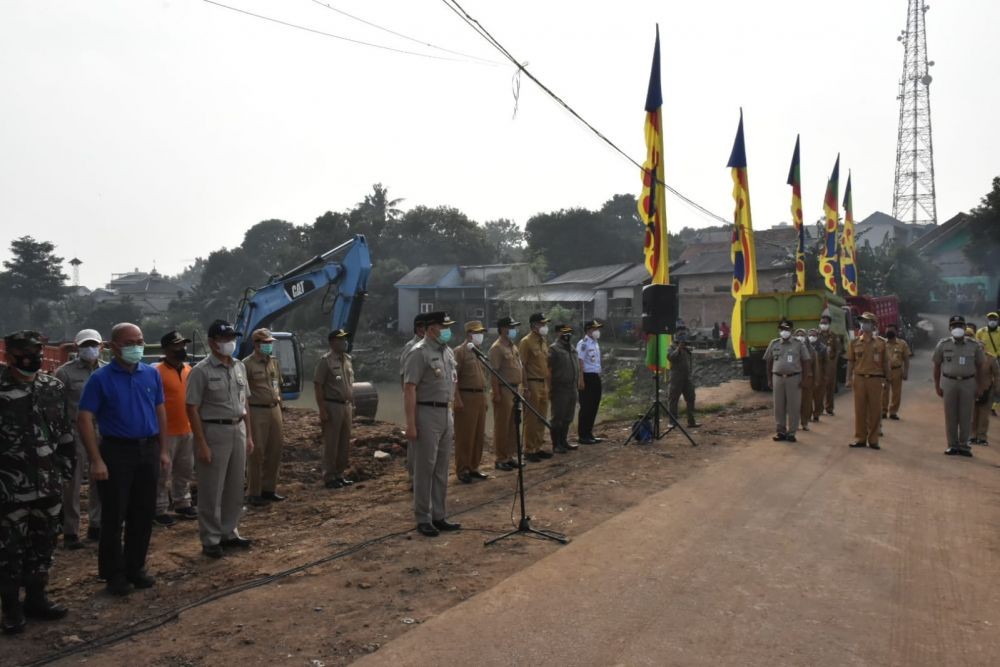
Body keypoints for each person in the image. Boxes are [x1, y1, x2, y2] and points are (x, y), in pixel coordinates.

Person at [78, 322, 169, 595]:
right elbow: (84, 418)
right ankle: (113, 573)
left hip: (147, 449)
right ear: (114, 346)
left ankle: (135, 567)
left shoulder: (150, 375)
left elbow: (160, 411)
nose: (136, 347)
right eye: (130, 343)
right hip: (116, 452)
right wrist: (96, 460)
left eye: (140, 341)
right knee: (114, 515)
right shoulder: (100, 378)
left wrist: (163, 450)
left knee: (143, 513)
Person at [1, 331, 73, 634]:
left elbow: (65, 434)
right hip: (9, 490)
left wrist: (65, 471)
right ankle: (11, 608)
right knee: (9, 551)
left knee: (43, 547)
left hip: (48, 485)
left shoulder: (52, 387)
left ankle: (36, 598)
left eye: (38, 351)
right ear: (11, 355)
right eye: (28, 353)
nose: (35, 357)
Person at [186, 320, 254, 559]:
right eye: (224, 339)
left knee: (235, 486)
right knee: (212, 488)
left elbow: (245, 402)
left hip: (238, 429)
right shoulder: (201, 371)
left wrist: (249, 435)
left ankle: (229, 532)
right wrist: (201, 443)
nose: (230, 343)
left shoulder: (239, 367)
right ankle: (211, 538)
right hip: (214, 431)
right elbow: (192, 408)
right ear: (213, 343)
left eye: (231, 338)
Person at [403, 312, 460, 537]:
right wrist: (411, 424)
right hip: (426, 413)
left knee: (442, 469)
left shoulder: (447, 351)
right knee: (424, 468)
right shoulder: (418, 353)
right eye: (443, 326)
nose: (447, 330)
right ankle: (423, 518)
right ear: (431, 328)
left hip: (445, 412)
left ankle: (439, 514)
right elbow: (409, 388)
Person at [55, 328, 105, 549]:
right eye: (85, 345)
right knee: (72, 483)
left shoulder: (107, 371)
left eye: (93, 344)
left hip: (101, 430)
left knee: (100, 480)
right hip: (75, 432)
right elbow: (57, 408)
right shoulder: (64, 373)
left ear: (102, 346)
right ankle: (71, 531)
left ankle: (96, 524)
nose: (90, 349)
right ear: (76, 347)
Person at [153, 331, 197, 525]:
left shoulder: (188, 370)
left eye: (183, 345)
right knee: (163, 473)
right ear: (166, 349)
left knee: (184, 469)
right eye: (177, 346)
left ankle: (182, 501)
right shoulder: (156, 372)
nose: (181, 349)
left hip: (187, 429)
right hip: (166, 431)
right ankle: (159, 508)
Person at [243, 328, 285, 505]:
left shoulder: (273, 362)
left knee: (275, 449)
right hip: (256, 410)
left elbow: (278, 385)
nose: (269, 346)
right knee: (257, 452)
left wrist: (281, 406)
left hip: (274, 408)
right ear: (257, 344)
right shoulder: (247, 364)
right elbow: (243, 393)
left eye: (270, 343)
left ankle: (269, 489)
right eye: (266, 343)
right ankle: (254, 492)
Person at [933, 316, 986, 457]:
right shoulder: (943, 345)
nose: (957, 328)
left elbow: (981, 367)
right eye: (954, 325)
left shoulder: (974, 345)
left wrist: (980, 386)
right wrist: (937, 386)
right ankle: (952, 445)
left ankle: (964, 445)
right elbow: (937, 366)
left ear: (964, 328)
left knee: (966, 415)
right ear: (950, 328)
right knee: (950, 415)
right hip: (949, 382)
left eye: (960, 325)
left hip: (968, 383)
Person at [314, 329, 355, 490]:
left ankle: (339, 473)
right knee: (331, 442)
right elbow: (318, 386)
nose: (344, 342)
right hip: (332, 406)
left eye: (345, 339)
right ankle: (329, 476)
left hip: (346, 406)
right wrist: (322, 410)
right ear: (332, 342)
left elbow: (350, 384)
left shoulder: (348, 359)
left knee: (344, 442)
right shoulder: (326, 361)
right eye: (340, 339)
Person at [846, 312, 890, 450]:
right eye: (862, 321)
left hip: (875, 379)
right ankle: (860, 438)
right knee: (860, 410)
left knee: (875, 410)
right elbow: (850, 362)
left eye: (867, 322)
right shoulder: (854, 343)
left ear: (873, 325)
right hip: (859, 378)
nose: (864, 324)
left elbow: (886, 363)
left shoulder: (881, 343)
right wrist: (848, 378)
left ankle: (873, 439)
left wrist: (887, 379)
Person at [453, 320, 490, 483]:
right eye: (477, 332)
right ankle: (462, 469)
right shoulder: (460, 352)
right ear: (469, 334)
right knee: (465, 436)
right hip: (466, 397)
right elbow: (454, 379)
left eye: (481, 332)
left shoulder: (478, 352)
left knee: (478, 436)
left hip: (480, 396)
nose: (480, 335)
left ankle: (474, 467)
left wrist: (486, 398)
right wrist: (457, 399)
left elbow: (484, 378)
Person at [763, 319, 811, 442]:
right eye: (782, 329)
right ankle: (781, 431)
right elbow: (769, 361)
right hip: (777, 377)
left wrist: (805, 379)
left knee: (793, 406)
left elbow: (806, 361)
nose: (784, 332)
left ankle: (791, 433)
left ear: (791, 330)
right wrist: (769, 379)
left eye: (787, 329)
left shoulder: (798, 344)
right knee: (779, 406)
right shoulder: (774, 343)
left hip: (794, 378)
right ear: (779, 330)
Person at [489, 316, 525, 470]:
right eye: (511, 327)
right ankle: (500, 458)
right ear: (503, 329)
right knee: (502, 426)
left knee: (513, 425)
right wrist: (496, 393)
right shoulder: (496, 348)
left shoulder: (513, 346)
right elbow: (493, 373)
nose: (513, 330)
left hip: (515, 389)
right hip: (504, 390)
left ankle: (510, 456)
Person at [519, 313, 553, 462]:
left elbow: (546, 364)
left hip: (543, 383)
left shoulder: (543, 341)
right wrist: (525, 387)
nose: (545, 327)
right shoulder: (526, 342)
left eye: (545, 324)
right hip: (531, 383)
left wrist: (549, 385)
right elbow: (522, 366)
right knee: (531, 418)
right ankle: (529, 449)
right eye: (542, 324)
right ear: (534, 325)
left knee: (541, 417)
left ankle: (538, 447)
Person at [400, 314, 428, 484]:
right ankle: (413, 476)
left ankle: (423, 476)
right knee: (414, 440)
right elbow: (404, 379)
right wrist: (408, 399)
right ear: (419, 328)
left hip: (427, 400)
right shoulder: (410, 348)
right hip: (414, 399)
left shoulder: (430, 346)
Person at [548, 324, 580, 454]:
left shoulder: (572, 348)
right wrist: (549, 388)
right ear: (558, 333)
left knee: (568, 417)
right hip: (559, 388)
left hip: (572, 387)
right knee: (558, 417)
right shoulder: (553, 349)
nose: (567, 335)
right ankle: (556, 444)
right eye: (564, 332)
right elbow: (548, 370)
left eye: (569, 332)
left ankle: (564, 441)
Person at [576, 319, 604, 445]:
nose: (597, 331)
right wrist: (580, 378)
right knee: (586, 407)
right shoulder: (584, 343)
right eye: (595, 329)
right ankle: (582, 435)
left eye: (597, 329)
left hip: (595, 377)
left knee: (594, 406)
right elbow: (580, 361)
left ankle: (589, 433)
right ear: (588, 330)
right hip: (586, 377)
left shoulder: (595, 343)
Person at [970, 326, 998, 446]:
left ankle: (982, 437)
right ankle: (972, 436)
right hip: (972, 389)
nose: (980, 349)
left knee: (984, 415)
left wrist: (997, 388)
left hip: (987, 389)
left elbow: (997, 375)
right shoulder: (971, 358)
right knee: (973, 414)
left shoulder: (991, 359)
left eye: (982, 347)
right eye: (978, 347)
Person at [667, 328, 700, 428]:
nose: (683, 336)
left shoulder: (686, 347)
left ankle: (691, 421)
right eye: (681, 334)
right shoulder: (672, 347)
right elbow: (670, 357)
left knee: (691, 397)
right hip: (676, 377)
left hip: (686, 377)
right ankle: (672, 422)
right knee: (673, 399)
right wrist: (678, 349)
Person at [880, 323, 912, 421]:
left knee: (896, 393)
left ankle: (893, 412)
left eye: (892, 330)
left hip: (897, 370)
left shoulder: (902, 344)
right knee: (883, 392)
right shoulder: (882, 343)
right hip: (884, 372)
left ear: (896, 331)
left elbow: (906, 359)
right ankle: (883, 411)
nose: (889, 331)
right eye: (887, 330)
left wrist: (906, 372)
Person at [975, 312, 1000, 416]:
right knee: (982, 380)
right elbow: (976, 344)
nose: (992, 321)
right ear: (987, 320)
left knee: (997, 383)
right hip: (983, 360)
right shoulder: (981, 332)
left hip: (997, 359)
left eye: (994, 319)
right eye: (990, 319)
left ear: (997, 320)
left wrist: (996, 355)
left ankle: (993, 406)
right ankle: (980, 399)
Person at [816, 314, 841, 415]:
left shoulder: (834, 336)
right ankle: (819, 409)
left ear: (829, 324)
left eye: (825, 323)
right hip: (818, 364)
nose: (823, 325)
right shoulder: (816, 335)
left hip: (830, 364)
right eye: (821, 323)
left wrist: (834, 363)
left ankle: (829, 408)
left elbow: (838, 350)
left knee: (830, 387)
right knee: (818, 387)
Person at [794, 328, 815, 431]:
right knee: (795, 403)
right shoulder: (791, 349)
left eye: (802, 335)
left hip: (807, 379)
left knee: (806, 402)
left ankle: (805, 422)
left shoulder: (811, 350)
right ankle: (795, 422)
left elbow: (816, 367)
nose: (800, 337)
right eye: (798, 335)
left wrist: (815, 380)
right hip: (794, 379)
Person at [807, 328, 827, 422]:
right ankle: (809, 414)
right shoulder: (804, 348)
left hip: (820, 375)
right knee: (808, 397)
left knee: (818, 397)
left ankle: (817, 413)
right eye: (810, 335)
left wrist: (825, 375)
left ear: (818, 337)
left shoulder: (822, 348)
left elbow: (826, 363)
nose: (812, 337)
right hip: (809, 375)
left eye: (814, 335)